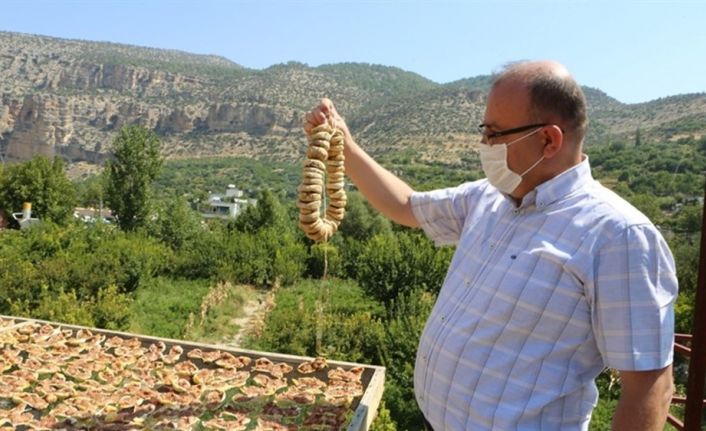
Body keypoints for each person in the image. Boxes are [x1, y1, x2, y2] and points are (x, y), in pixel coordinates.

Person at [304, 60, 677, 430]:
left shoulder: (619, 237)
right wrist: (345, 143)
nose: (484, 145)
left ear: (549, 140)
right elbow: (405, 206)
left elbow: (649, 387)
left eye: (494, 134)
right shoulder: (488, 197)